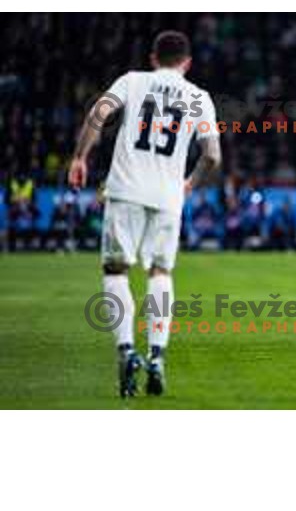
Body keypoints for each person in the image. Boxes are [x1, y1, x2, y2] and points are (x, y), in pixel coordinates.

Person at [68, 31, 221, 398]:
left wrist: (79, 157)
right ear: (187, 63)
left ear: (154, 57)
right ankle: (156, 356)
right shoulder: (199, 97)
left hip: (125, 190)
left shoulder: (132, 81)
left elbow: (98, 114)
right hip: (168, 196)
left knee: (116, 270)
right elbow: (212, 155)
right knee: (160, 272)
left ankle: (126, 350)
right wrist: (190, 183)